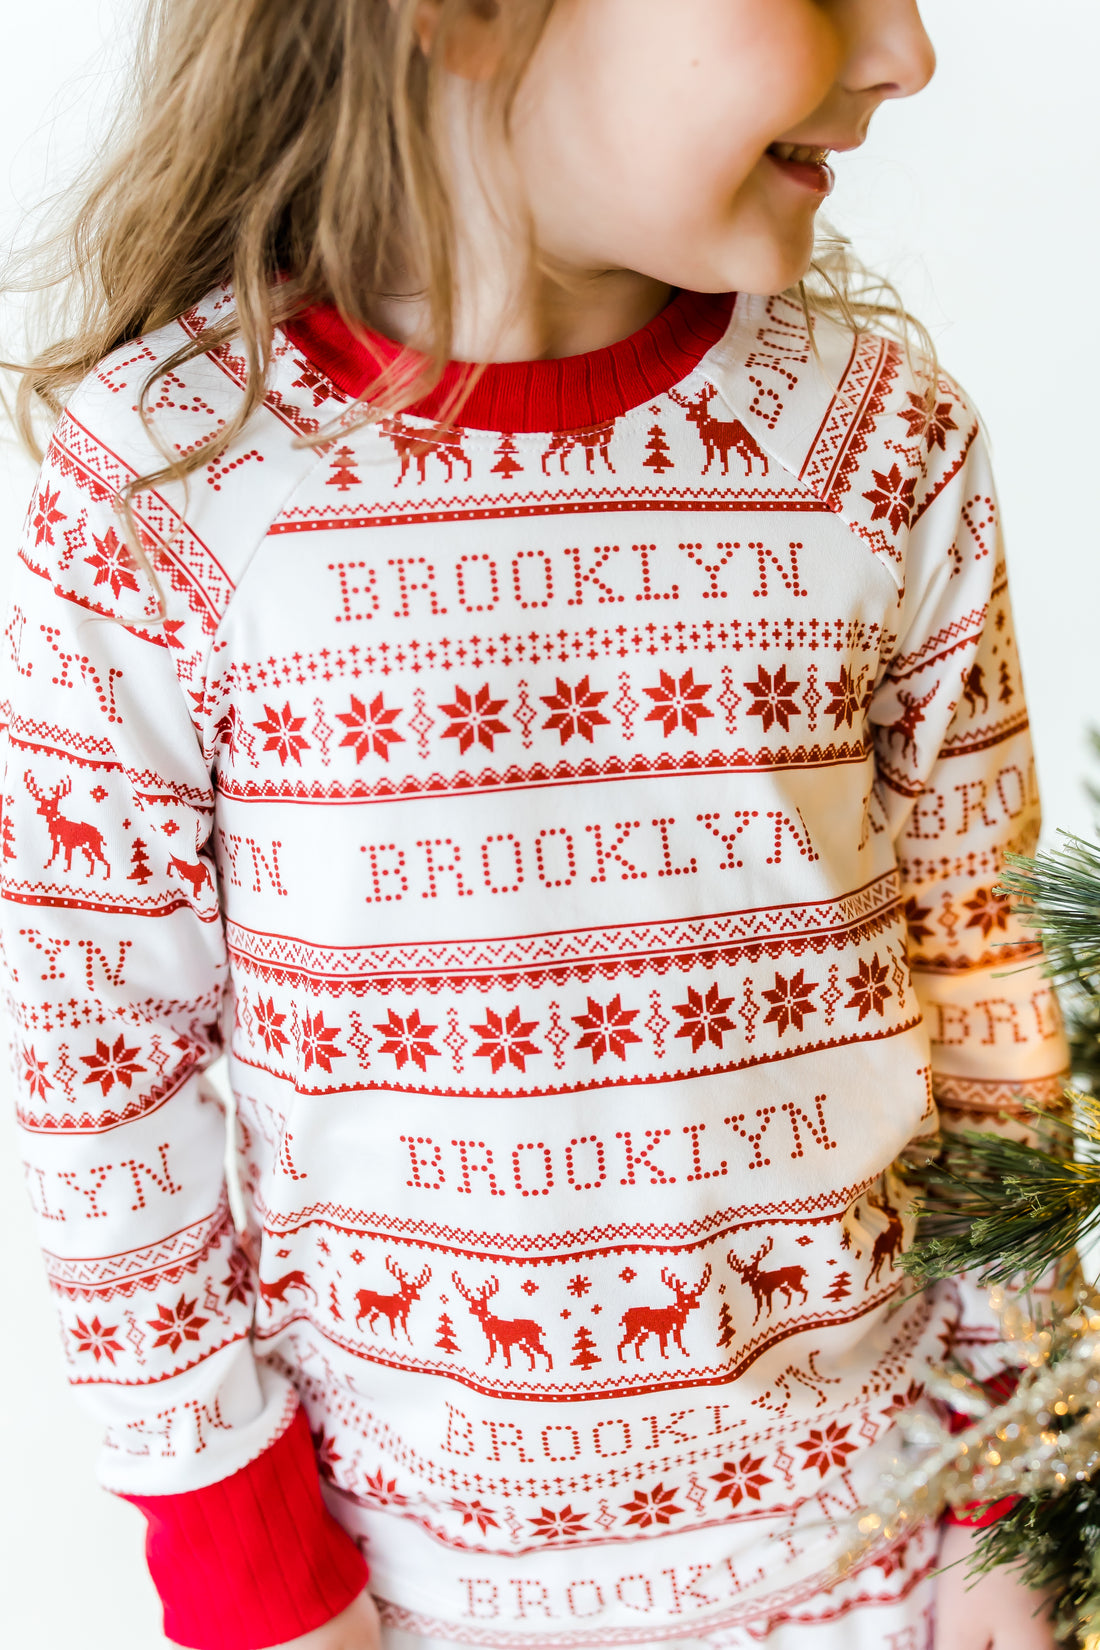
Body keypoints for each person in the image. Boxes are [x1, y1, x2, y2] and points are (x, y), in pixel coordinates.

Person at [0, 2, 1071, 1647]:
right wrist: (254, 1578)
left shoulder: (882, 448)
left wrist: (1021, 1491)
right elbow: (100, 1063)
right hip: (407, 1603)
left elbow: (987, 972)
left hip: (897, 1561)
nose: (907, 50)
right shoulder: (163, 486)